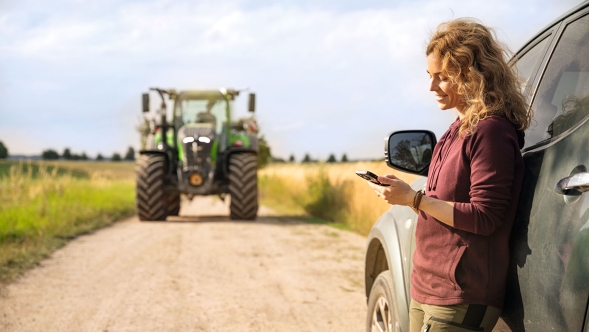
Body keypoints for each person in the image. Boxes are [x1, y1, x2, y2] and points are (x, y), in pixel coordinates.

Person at [368, 18, 532, 332]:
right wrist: (409, 196)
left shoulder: (491, 132)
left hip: (460, 294)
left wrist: (414, 198)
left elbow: (485, 216)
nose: (432, 87)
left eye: (442, 78)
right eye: (430, 77)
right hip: (426, 288)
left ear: (470, 74)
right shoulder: (455, 130)